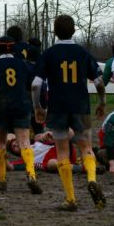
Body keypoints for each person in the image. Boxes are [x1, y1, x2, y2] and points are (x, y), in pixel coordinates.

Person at [32, 14, 106, 211]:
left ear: (55, 32)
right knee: (86, 147)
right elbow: (99, 82)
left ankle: (71, 199)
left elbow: (35, 84)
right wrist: (102, 102)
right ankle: (91, 178)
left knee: (63, 152)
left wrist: (38, 107)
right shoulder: (83, 53)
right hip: (81, 106)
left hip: (58, 108)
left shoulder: (49, 54)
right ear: (74, 30)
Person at [0, 36, 42, 195]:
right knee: (25, 142)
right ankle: (32, 176)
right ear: (13, 49)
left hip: (1, 106)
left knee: (0, 142)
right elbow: (34, 85)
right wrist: (37, 105)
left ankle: (1, 179)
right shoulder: (24, 64)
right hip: (21, 105)